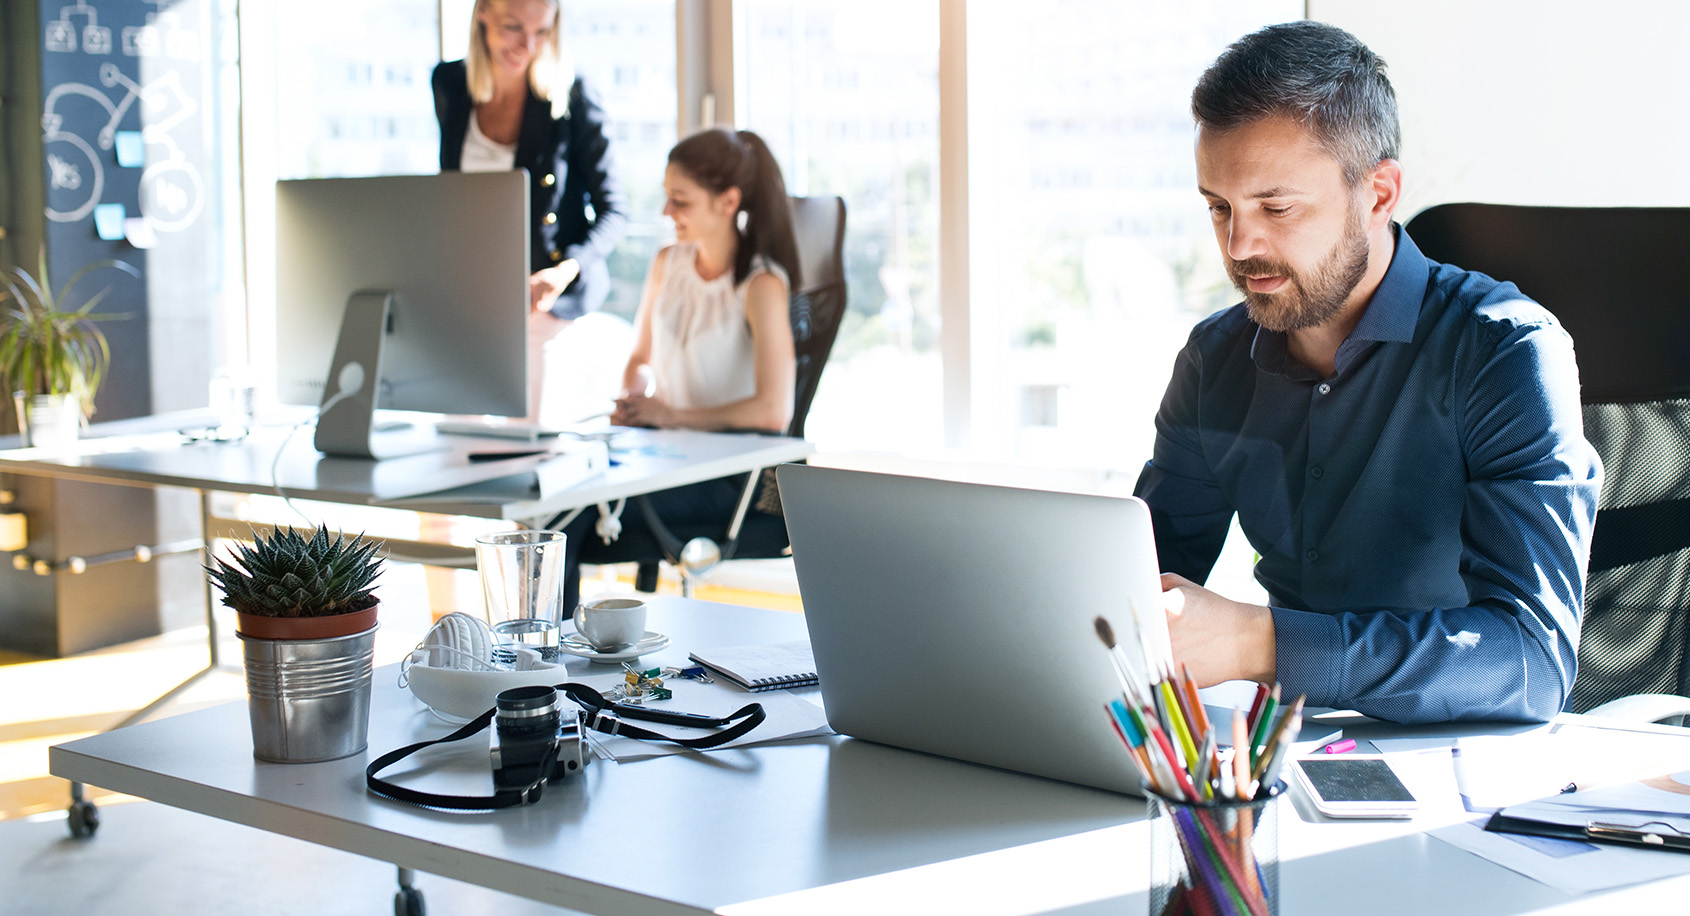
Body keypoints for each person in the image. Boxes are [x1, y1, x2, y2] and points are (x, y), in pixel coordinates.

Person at [1133, 21, 1602, 724]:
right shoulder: (1213, 361)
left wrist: (1262, 642)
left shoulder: (1505, 352)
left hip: (1472, 763)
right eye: (1219, 207)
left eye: (1276, 206)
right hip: (1293, 751)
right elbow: (1136, 586)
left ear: (1379, 194)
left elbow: (1532, 662)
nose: (1239, 244)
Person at [560, 127, 800, 611]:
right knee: (553, 495)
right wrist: (633, 403)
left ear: (727, 202)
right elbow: (638, 359)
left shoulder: (761, 285)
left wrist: (670, 416)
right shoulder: (668, 263)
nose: (667, 213)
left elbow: (774, 411)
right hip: (664, 457)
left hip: (732, 476)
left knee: (565, 520)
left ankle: (538, 664)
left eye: (680, 201)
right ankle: (539, 660)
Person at [432, 0, 626, 422]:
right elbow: (454, 198)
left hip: (547, 299)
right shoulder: (450, 82)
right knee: (456, 442)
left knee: (530, 446)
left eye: (542, 32)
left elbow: (615, 211)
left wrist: (564, 271)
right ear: (482, 12)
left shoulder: (572, 95)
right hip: (475, 296)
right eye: (513, 27)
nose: (528, 44)